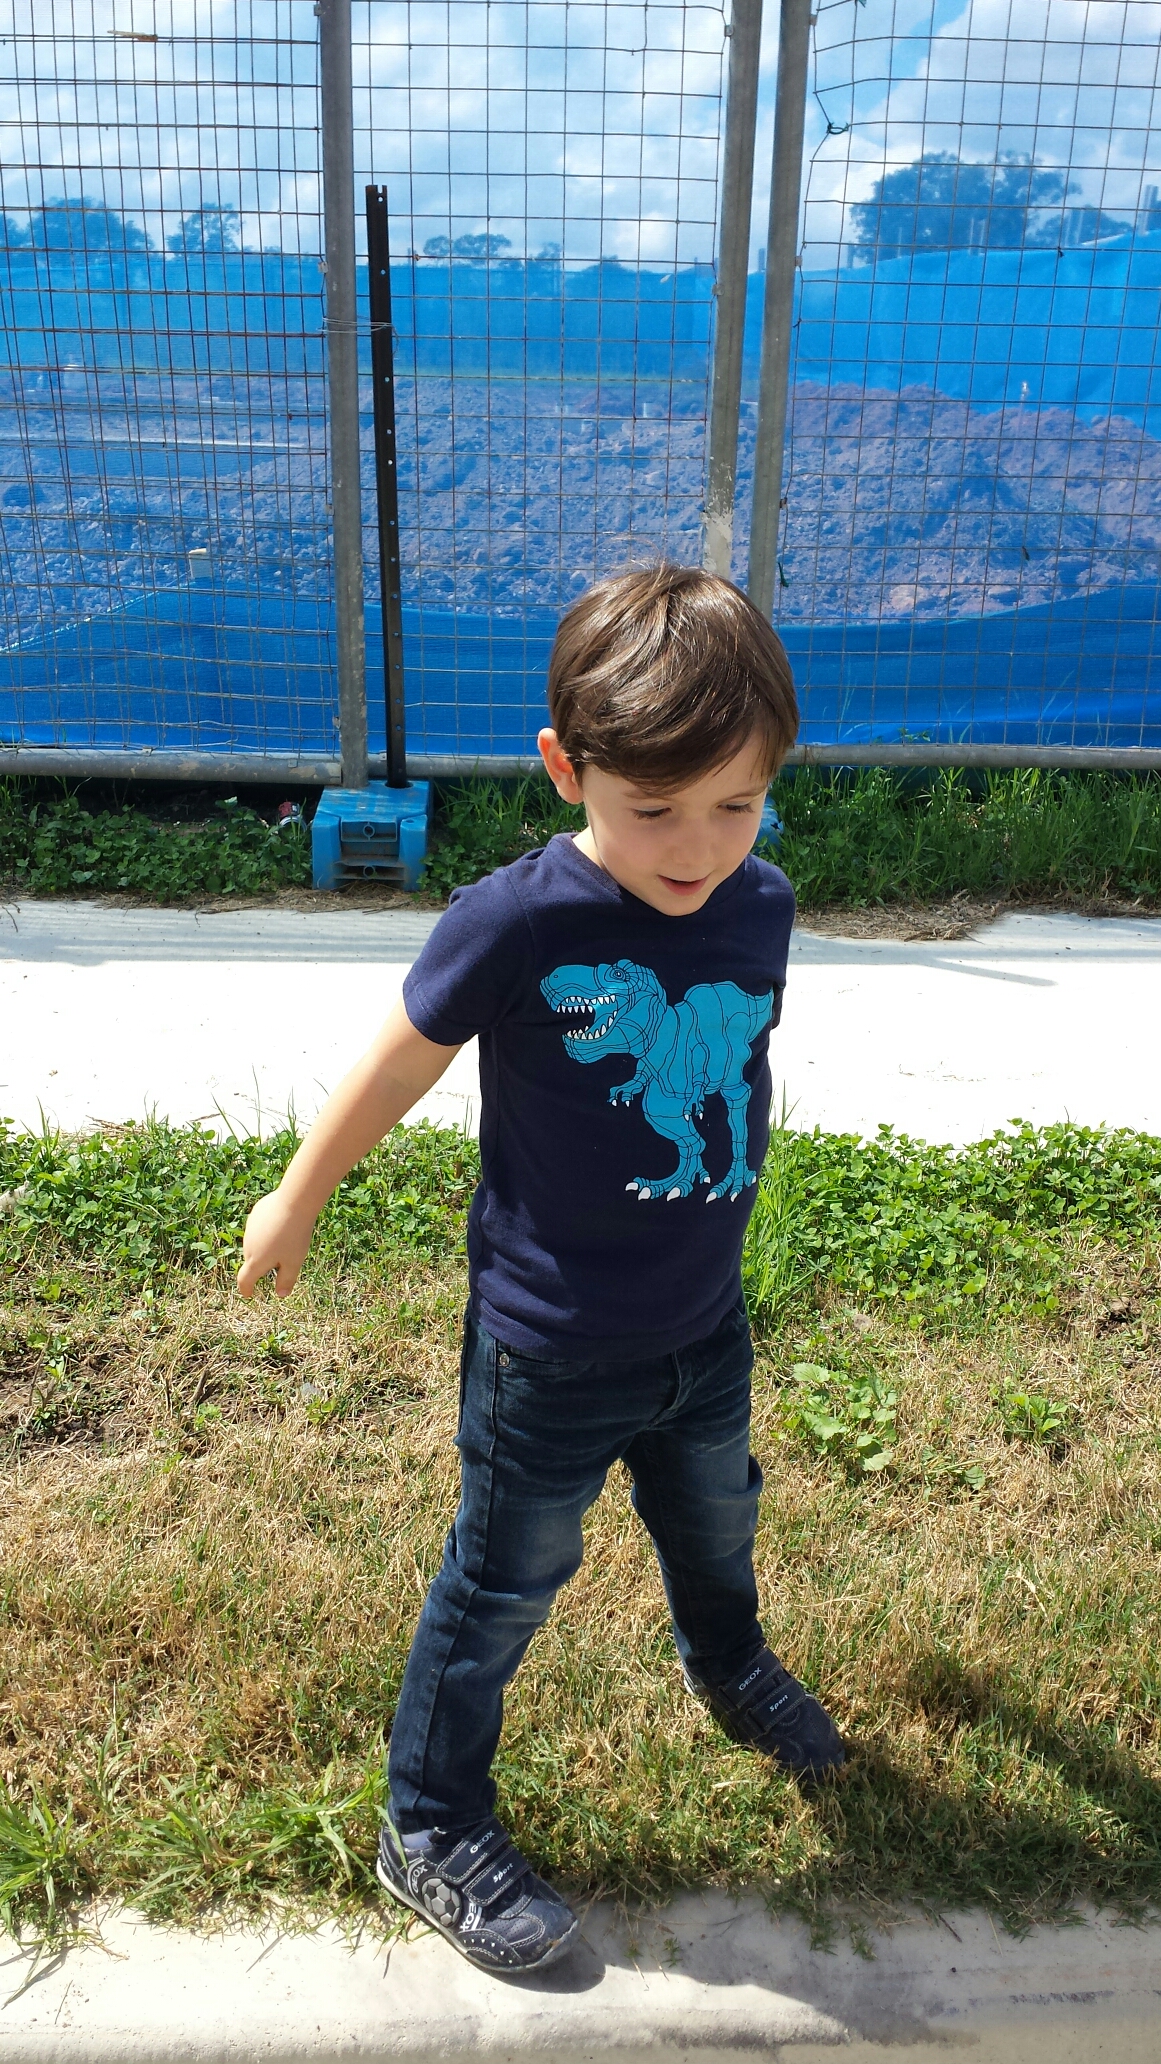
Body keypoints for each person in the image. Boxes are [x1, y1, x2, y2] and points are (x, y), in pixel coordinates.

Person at [237, 564, 844, 1975]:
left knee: (719, 1521)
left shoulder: (757, 902)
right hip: (549, 1346)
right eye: (654, 810)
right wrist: (297, 1195)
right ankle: (429, 1820)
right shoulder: (517, 923)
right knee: (503, 1581)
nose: (697, 848)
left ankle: (728, 1662)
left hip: (703, 1324)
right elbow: (400, 1058)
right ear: (567, 769)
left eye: (737, 804)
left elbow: (733, 1074)